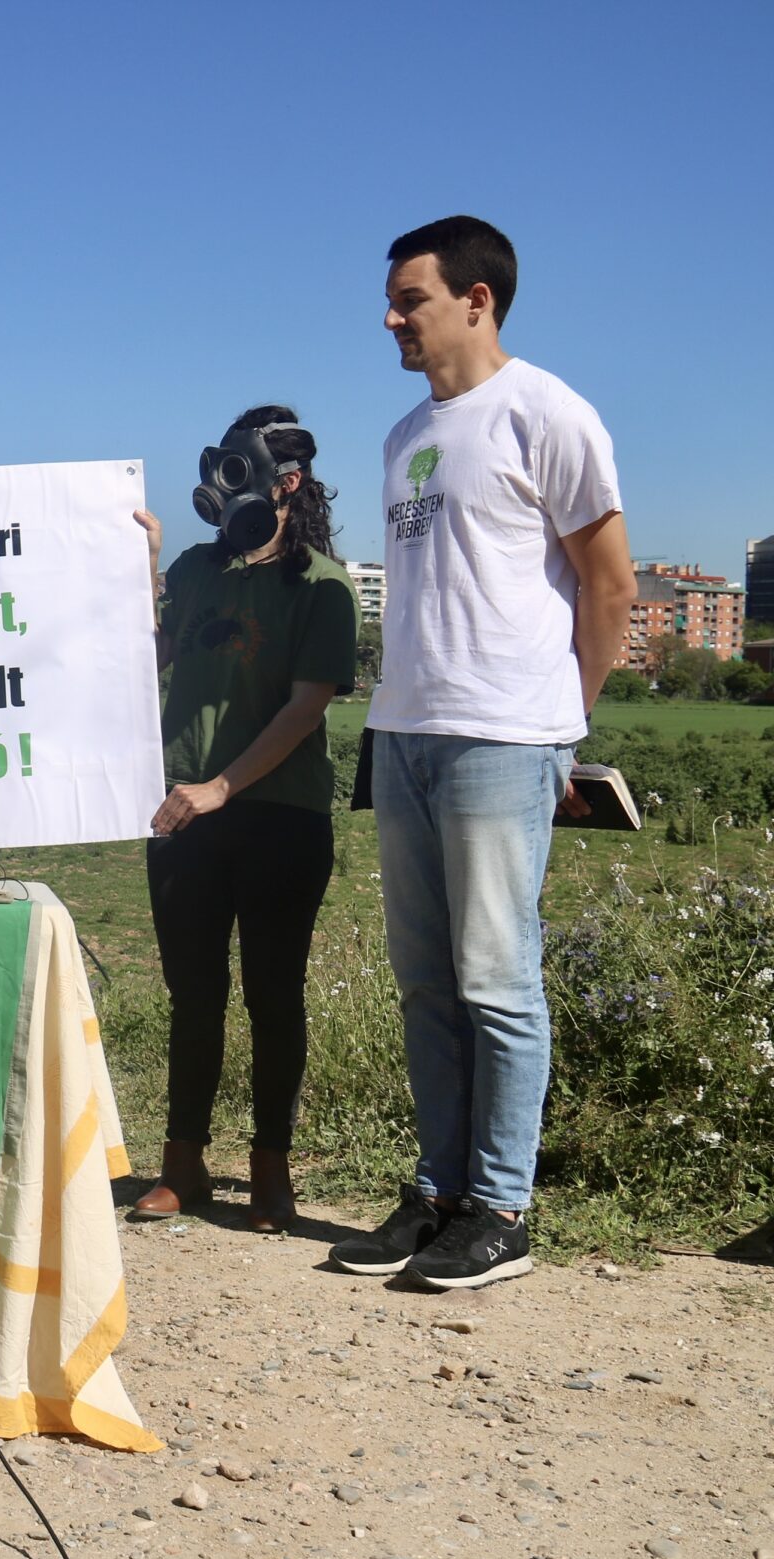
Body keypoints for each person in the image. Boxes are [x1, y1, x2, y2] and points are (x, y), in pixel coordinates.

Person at [329, 215, 635, 1290]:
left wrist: (562, 720)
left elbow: (609, 584)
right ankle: (438, 1192)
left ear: (477, 299)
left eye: (408, 298)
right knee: (425, 980)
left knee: (497, 979)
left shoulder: (548, 412)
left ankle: (502, 1208)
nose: (390, 318)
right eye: (392, 300)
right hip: (405, 729)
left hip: (505, 733)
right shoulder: (402, 434)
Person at [127, 408, 358, 1233]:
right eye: (218, 467)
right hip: (181, 814)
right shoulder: (196, 569)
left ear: (286, 482)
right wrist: (148, 567)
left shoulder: (322, 585)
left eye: (240, 469)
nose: (224, 485)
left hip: (280, 817)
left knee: (273, 995)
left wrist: (221, 786)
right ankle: (181, 1165)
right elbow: (142, 659)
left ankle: (270, 1171)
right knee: (193, 994)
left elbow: (306, 707)